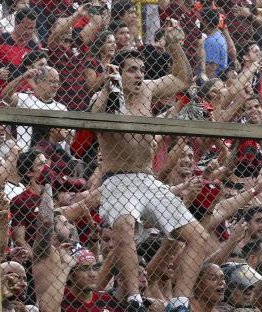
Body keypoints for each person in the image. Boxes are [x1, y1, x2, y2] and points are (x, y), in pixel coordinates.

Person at [90, 19, 212, 311]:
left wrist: (175, 46)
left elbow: (182, 79)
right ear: (119, 71)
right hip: (117, 179)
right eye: (132, 69)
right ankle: (133, 298)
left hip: (147, 179)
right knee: (123, 225)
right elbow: (95, 114)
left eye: (141, 69)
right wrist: (109, 87)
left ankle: (180, 303)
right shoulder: (104, 96)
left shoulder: (146, 89)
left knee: (198, 235)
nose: (139, 74)